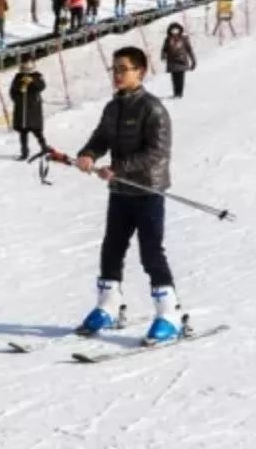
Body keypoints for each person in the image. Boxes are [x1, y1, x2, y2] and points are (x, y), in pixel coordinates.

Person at [74, 46, 180, 344]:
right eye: (114, 69)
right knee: (111, 249)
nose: (117, 74)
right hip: (120, 191)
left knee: (150, 253)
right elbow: (101, 138)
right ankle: (108, 307)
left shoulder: (153, 108)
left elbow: (157, 152)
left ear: (140, 71)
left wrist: (119, 168)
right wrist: (88, 154)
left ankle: (169, 314)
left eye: (124, 69)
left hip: (147, 189)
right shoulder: (114, 107)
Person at [9, 59, 47, 160]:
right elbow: (12, 91)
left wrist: (32, 81)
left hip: (33, 108)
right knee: (23, 132)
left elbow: (42, 86)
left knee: (37, 131)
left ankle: (44, 147)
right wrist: (19, 94)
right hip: (21, 108)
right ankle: (24, 152)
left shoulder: (37, 76)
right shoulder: (18, 77)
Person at [161, 23, 197, 99]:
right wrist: (163, 55)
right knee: (174, 78)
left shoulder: (184, 39)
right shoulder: (168, 39)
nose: (175, 31)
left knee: (180, 78)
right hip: (172, 62)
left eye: (176, 29)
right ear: (170, 30)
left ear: (180, 30)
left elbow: (189, 50)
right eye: (173, 30)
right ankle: (175, 93)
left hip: (182, 61)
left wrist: (193, 61)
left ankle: (179, 93)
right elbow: (164, 49)